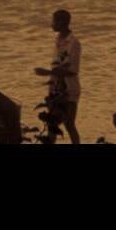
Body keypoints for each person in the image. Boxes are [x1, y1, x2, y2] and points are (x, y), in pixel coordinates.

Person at [34, 9, 81, 144]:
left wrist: (47, 73)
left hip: (69, 89)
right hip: (55, 88)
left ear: (62, 22)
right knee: (52, 124)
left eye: (54, 21)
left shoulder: (73, 43)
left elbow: (73, 70)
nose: (52, 24)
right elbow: (58, 65)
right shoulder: (58, 40)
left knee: (69, 124)